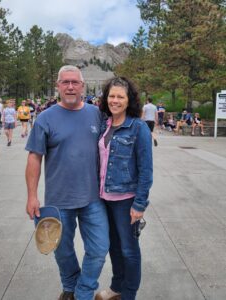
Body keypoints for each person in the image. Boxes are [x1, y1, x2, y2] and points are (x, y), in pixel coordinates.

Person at [25, 65, 109, 300]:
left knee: (100, 248)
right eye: (65, 82)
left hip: (93, 198)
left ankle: (81, 292)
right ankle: (70, 287)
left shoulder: (96, 114)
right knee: (62, 250)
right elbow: (34, 157)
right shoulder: (45, 118)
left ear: (82, 86)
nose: (70, 87)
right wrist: (32, 196)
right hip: (59, 200)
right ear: (58, 86)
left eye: (75, 82)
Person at [95, 77, 153, 300]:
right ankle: (116, 287)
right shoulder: (105, 124)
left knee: (129, 250)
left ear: (129, 100)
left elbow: (146, 170)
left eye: (120, 96)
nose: (115, 100)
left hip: (126, 200)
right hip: (103, 198)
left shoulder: (138, 128)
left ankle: (129, 294)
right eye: (111, 95)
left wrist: (139, 204)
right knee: (114, 248)